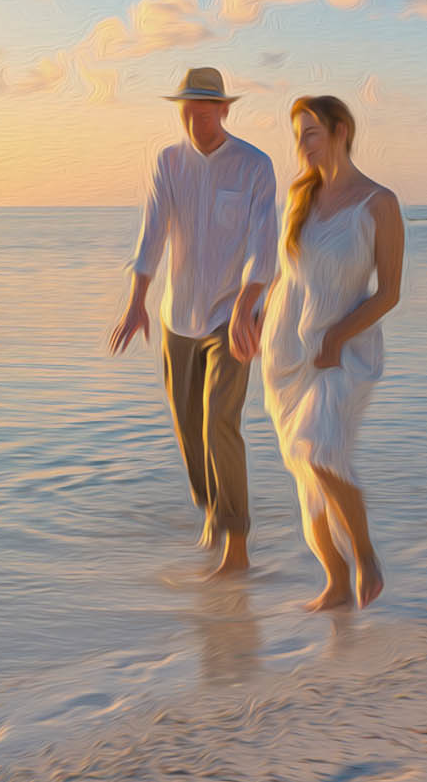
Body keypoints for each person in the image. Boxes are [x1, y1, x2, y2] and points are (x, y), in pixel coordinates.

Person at [109, 67, 278, 578]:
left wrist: (249, 302)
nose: (195, 121)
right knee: (189, 432)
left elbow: (264, 243)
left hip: (232, 317)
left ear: (224, 110)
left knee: (219, 422)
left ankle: (237, 545)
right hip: (177, 317)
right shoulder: (168, 162)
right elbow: (152, 233)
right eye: (187, 111)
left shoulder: (254, 165)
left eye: (205, 112)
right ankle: (212, 512)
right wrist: (137, 300)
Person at [258, 95, 404, 610]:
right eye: (298, 135)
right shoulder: (301, 197)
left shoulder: (379, 204)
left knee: (317, 450)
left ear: (342, 130)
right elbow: (286, 275)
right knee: (305, 472)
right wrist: (252, 316)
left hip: (344, 351)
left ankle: (365, 556)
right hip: (287, 351)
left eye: (311, 132)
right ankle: (336, 582)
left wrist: (338, 336)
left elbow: (389, 293)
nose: (302, 145)